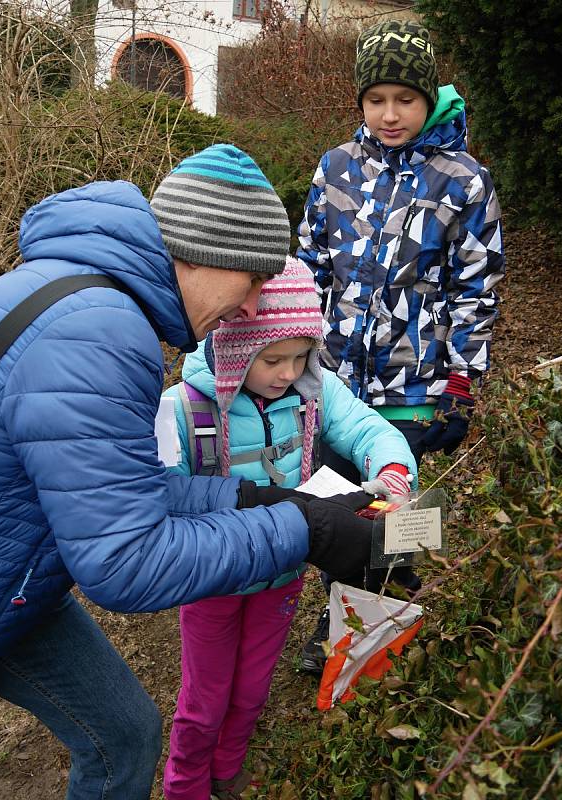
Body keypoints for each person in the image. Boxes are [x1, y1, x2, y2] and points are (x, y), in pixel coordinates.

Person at [0, 144, 384, 799]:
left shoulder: (79, 294)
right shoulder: (104, 332)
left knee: (126, 733)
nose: (253, 306)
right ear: (204, 253)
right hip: (1, 571)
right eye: (251, 280)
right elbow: (124, 561)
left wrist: (250, 496)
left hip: (11, 572)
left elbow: (114, 484)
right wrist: (302, 527)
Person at [159, 257, 417, 800]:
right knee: (204, 699)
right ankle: (185, 785)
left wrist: (392, 474)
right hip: (212, 582)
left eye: (302, 356)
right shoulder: (184, 411)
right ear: (232, 352)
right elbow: (159, 494)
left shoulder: (312, 394)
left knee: (252, 688)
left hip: (282, 575)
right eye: (273, 358)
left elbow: (367, 428)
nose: (287, 372)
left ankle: (228, 772)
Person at [297, 19, 506, 671]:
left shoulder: (464, 181)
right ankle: (347, 617)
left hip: (417, 390)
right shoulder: (334, 170)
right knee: (334, 509)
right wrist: (288, 354)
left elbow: (479, 287)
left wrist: (464, 384)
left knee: (390, 516)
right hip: (336, 383)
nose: (391, 114)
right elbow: (306, 269)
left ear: (426, 98)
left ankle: (381, 620)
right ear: (360, 100)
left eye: (405, 99)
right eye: (376, 99)